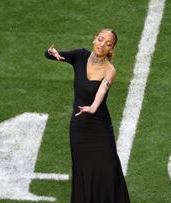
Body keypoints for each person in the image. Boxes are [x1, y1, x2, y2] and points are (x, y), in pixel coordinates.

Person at [44, 28, 130, 203]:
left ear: (111, 49)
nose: (102, 45)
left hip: (100, 128)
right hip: (79, 128)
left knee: (108, 168)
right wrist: (51, 53)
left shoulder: (110, 70)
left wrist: (93, 107)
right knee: (83, 171)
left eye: (108, 44)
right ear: (94, 40)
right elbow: (51, 54)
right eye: (100, 39)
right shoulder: (79, 56)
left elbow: (103, 89)